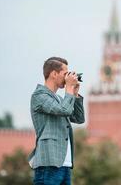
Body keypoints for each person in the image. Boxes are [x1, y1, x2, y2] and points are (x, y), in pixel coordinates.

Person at [28, 57, 85, 185]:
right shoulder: (39, 96)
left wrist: (74, 94)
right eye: (65, 74)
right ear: (54, 74)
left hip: (64, 164)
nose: (67, 78)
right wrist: (69, 89)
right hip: (49, 162)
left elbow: (79, 118)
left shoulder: (60, 99)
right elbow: (64, 110)